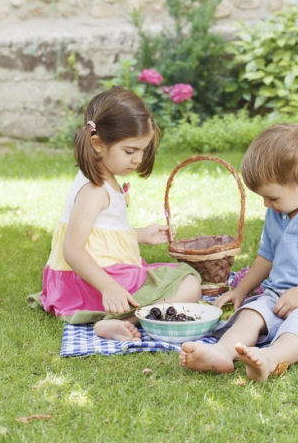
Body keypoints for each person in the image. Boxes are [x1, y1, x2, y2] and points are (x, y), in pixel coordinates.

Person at [179, 123, 298, 381]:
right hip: (278, 295)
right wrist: (242, 290)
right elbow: (267, 256)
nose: (267, 204)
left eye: (273, 198)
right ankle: (221, 353)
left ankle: (271, 359)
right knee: (251, 315)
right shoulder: (278, 213)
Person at [32, 86, 201, 341]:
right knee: (189, 283)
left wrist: (140, 235)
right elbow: (73, 249)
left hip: (89, 280)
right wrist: (109, 288)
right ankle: (124, 319)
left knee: (174, 279)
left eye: (142, 150)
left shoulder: (101, 179)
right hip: (95, 283)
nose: (138, 159)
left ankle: (121, 315)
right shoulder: (94, 191)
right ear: (98, 143)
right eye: (130, 151)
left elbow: (98, 235)